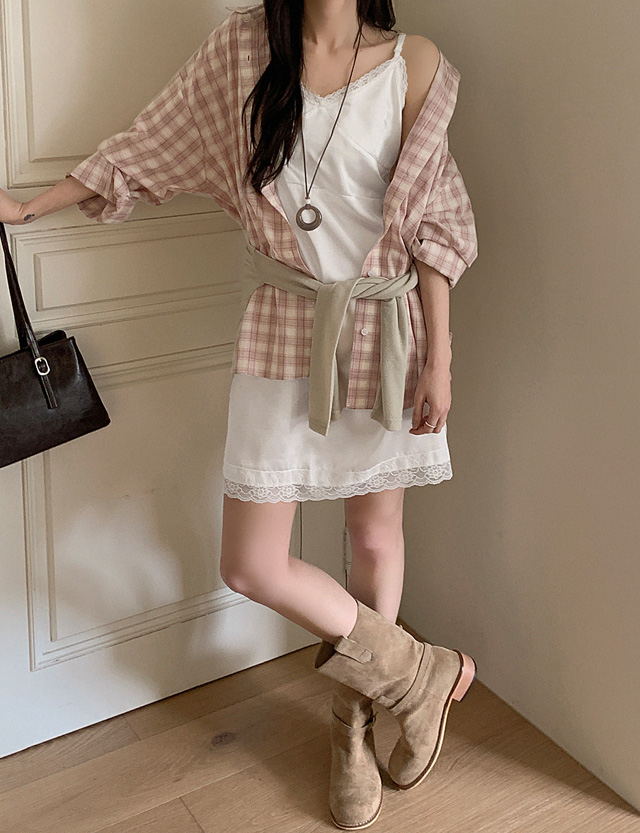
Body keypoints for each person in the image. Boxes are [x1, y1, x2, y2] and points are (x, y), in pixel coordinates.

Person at [0, 1, 478, 828]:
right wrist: (31, 207)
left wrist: (440, 355)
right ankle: (413, 673)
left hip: (386, 329)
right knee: (251, 561)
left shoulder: (417, 65)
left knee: (374, 534)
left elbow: (436, 222)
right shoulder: (243, 49)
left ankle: (353, 723)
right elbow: (153, 142)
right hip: (284, 321)